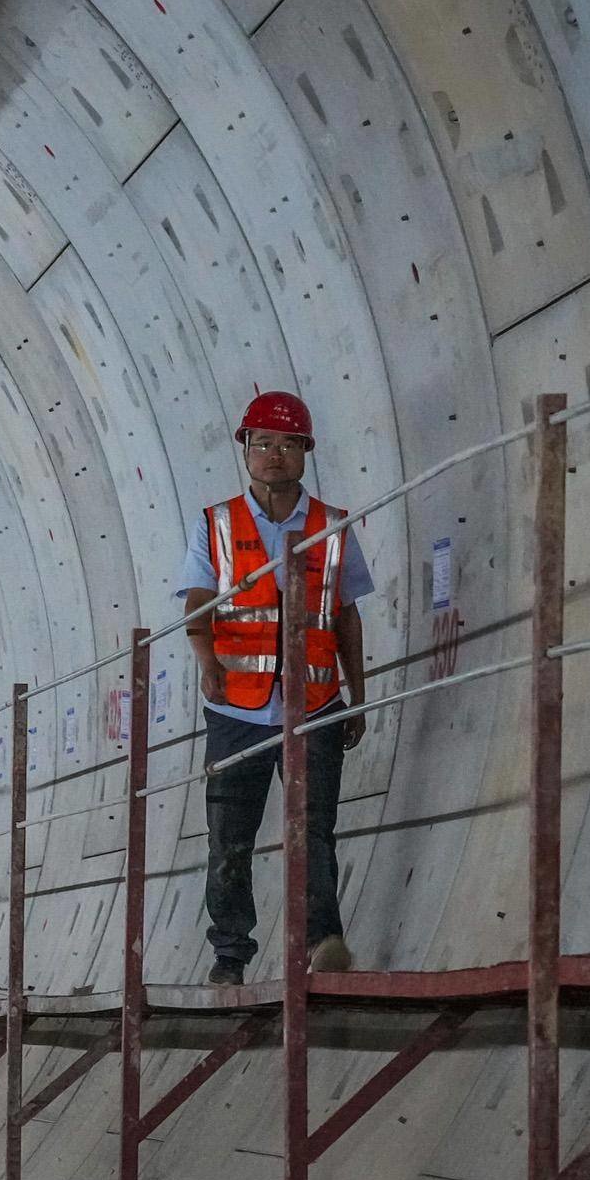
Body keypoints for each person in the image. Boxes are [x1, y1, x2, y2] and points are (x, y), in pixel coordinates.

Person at [177, 391, 370, 984]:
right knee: (229, 837)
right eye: (262, 444)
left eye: (286, 444)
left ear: (306, 452)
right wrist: (206, 660)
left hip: (314, 704)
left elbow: (345, 615)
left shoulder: (331, 527)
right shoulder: (219, 523)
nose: (274, 455)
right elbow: (197, 603)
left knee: (314, 829)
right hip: (237, 708)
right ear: (246, 451)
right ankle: (231, 954)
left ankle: (324, 943)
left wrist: (356, 694)